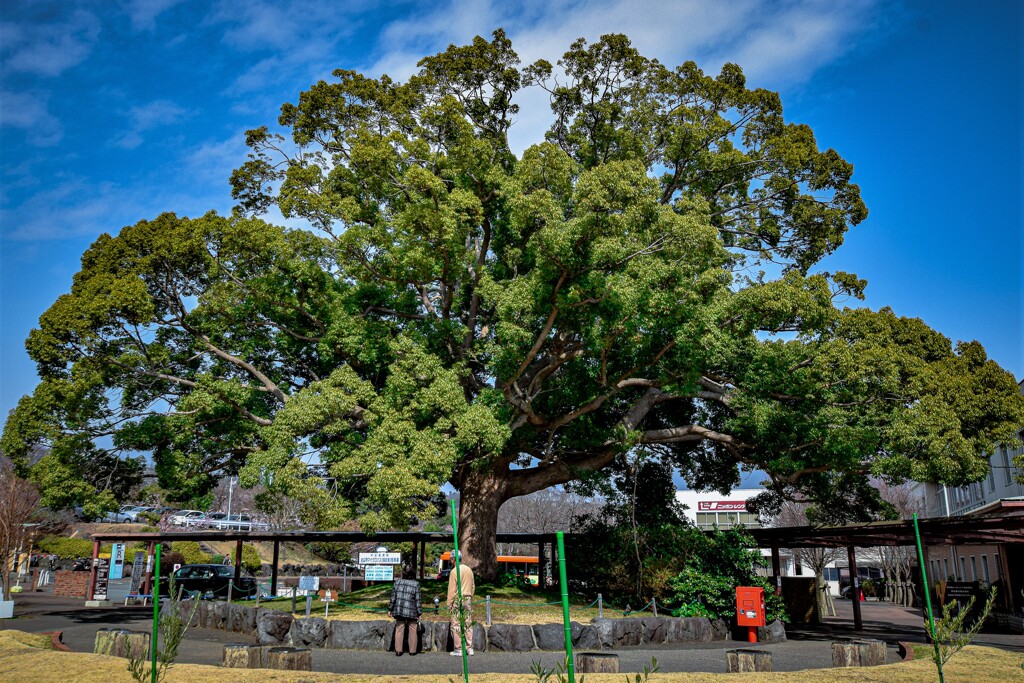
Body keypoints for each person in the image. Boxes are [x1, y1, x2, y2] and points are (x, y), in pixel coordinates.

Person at [447, 550, 475, 656]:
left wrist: (449, 604)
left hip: (457, 598)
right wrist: (470, 596)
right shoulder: (469, 569)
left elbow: (452, 590)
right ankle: (469, 647)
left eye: (451, 559)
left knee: (456, 624)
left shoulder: (454, 571)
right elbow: (473, 586)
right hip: (467, 597)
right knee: (468, 623)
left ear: (453, 559)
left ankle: (458, 649)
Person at [388, 567, 422, 656]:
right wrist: (419, 612)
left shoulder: (397, 582)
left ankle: (398, 651)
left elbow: (393, 597)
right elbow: (418, 600)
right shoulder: (416, 584)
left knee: (399, 629)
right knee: (413, 629)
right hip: (412, 610)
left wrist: (390, 609)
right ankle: (412, 651)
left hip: (399, 609)